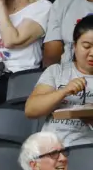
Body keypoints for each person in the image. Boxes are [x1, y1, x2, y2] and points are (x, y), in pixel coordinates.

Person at [26, 15, 93, 146]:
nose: (92, 53)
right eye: (86, 46)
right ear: (74, 46)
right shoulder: (57, 71)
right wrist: (64, 91)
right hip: (53, 147)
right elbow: (31, 110)